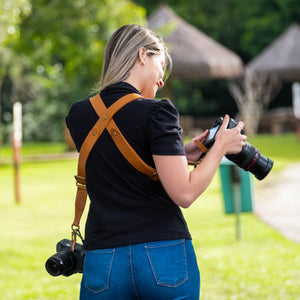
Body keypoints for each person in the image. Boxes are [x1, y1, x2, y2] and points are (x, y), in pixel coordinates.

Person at [66, 24, 246, 300]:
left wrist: (180, 154)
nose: (162, 80)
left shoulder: (79, 115)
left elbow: (117, 164)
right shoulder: (158, 111)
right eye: (161, 65)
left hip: (103, 260)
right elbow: (184, 193)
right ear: (142, 55)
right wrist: (220, 147)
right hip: (163, 256)